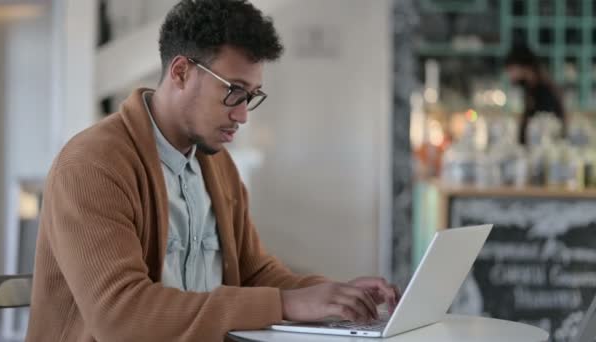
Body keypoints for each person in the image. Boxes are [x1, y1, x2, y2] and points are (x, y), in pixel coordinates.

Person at [26, 1, 401, 341]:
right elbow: (121, 315)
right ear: (181, 72)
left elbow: (256, 274)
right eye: (233, 91)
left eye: (251, 96)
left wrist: (335, 297)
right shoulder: (92, 166)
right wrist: (286, 304)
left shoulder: (216, 164)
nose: (241, 114)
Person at [504, 45, 566, 145]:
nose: (509, 75)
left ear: (522, 66)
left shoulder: (543, 89)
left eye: (511, 69)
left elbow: (546, 126)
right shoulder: (531, 87)